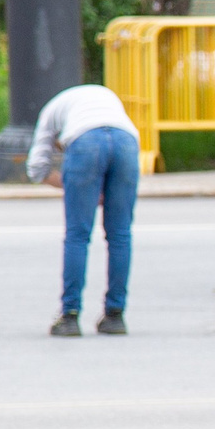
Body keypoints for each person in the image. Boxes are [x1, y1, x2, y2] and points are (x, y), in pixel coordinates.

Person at [26, 83, 142, 338]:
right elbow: (113, 138)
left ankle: (69, 317)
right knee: (120, 235)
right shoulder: (106, 97)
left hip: (86, 144)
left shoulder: (50, 114)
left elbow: (36, 169)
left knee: (77, 236)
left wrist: (77, 188)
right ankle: (115, 316)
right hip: (127, 142)